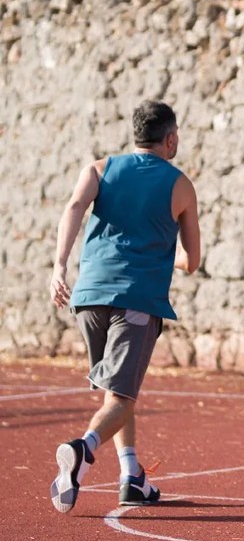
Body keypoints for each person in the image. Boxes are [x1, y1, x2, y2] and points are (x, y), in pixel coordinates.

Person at [48, 100, 201, 513]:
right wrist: (162, 254)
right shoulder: (180, 185)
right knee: (121, 395)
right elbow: (192, 259)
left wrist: (59, 267)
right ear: (171, 139)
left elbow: (74, 207)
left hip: (88, 298)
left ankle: (131, 475)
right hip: (135, 299)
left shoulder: (98, 169)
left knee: (118, 392)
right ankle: (82, 449)